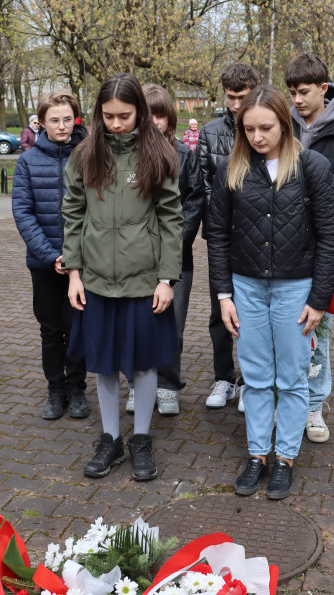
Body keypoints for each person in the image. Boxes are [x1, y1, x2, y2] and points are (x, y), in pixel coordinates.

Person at [207, 85, 334, 500]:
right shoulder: (231, 169)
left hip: (295, 288)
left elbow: (331, 236)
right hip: (246, 287)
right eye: (248, 129)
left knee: (292, 376)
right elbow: (216, 234)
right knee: (255, 375)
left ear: (285, 124)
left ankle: (284, 457)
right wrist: (223, 295)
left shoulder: (312, 166)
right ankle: (257, 455)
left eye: (266, 127)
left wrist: (319, 299)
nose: (257, 137)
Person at [62, 73, 182, 482]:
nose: (116, 124)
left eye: (125, 116)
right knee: (104, 363)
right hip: (95, 281)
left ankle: (142, 439)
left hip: (143, 281)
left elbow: (171, 220)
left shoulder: (158, 154)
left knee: (144, 364)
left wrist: (167, 278)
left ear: (141, 113)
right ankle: (111, 439)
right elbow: (73, 215)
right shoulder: (84, 155)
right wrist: (74, 273)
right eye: (109, 116)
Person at [285, 53, 334, 444]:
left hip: (322, 250)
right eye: (292, 92)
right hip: (279, 248)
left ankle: (314, 405)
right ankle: (285, 400)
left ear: (324, 89)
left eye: (304, 92)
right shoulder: (282, 130)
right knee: (283, 330)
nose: (297, 99)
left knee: (318, 330)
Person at [126, 84, 203, 416]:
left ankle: (169, 385)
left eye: (160, 114)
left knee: (173, 323)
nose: (154, 122)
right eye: (149, 114)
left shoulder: (185, 157)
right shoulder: (127, 157)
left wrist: (171, 246)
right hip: (135, 261)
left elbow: (195, 203)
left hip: (176, 261)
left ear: (169, 118)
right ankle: (137, 385)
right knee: (136, 325)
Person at [13, 93, 91, 421]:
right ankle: (55, 389)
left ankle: (76, 388)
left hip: (83, 262)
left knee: (77, 328)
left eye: (67, 119)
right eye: (54, 120)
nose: (61, 126)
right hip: (44, 264)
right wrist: (50, 256)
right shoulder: (27, 161)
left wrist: (76, 256)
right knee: (50, 328)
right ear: (41, 122)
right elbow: (23, 211)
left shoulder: (89, 156)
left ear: (76, 119)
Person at [196, 62, 261, 410]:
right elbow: (204, 185)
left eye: (242, 97)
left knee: (254, 312)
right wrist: (224, 219)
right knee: (220, 308)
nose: (235, 105)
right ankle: (224, 377)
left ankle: (252, 381)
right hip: (222, 237)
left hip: (258, 237)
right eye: (230, 97)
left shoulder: (264, 129)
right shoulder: (209, 133)